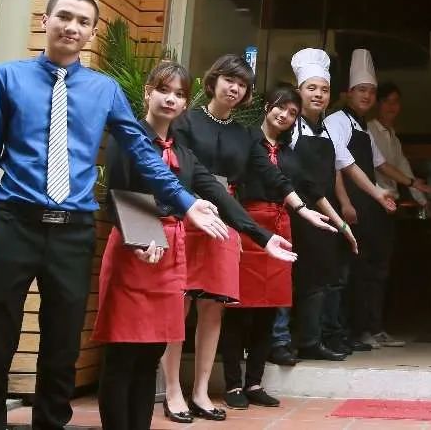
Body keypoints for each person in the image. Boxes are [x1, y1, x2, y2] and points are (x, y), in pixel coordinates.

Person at [0, 0, 228, 430]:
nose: (72, 27)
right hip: (12, 223)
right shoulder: (8, 78)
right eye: (64, 17)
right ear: (45, 20)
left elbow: (143, 152)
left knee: (63, 346)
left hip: (73, 231)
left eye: (83, 22)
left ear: (92, 32)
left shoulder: (104, 89)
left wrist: (185, 202)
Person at [94, 61, 297, 430]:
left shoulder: (184, 152)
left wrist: (264, 238)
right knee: (123, 354)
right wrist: (142, 238)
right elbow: (117, 193)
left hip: (169, 255)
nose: (170, 99)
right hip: (134, 250)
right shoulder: (129, 137)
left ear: (187, 102)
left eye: (179, 94)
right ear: (148, 93)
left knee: (150, 355)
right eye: (163, 90)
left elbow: (220, 196)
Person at [162, 54, 322, 422]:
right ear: (213, 81)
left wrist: (301, 208)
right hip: (187, 214)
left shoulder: (245, 134)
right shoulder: (186, 121)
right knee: (179, 306)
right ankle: (172, 390)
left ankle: (201, 391)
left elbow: (271, 175)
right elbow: (176, 170)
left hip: (225, 218)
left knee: (213, 309)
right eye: (229, 80)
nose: (234, 88)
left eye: (242, 84)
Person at [219, 84, 336, 410]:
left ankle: (255, 382)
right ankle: (232, 384)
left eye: (292, 113)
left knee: (269, 311)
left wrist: (340, 224)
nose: (285, 115)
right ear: (267, 106)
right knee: (238, 311)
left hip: (281, 228)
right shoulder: (246, 140)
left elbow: (309, 187)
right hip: (247, 225)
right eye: (280, 107)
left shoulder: (289, 154)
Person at [268, 49, 358, 365]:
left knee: (318, 278)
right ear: (299, 91)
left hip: (320, 212)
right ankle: (278, 341)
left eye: (324, 90)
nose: (318, 94)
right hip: (291, 210)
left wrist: (341, 211)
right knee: (286, 277)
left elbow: (337, 172)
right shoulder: (289, 127)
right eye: (312, 88)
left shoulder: (328, 129)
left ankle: (310, 340)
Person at [325, 49, 411, 349]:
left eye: (371, 91)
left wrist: (410, 183)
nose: (367, 96)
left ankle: (365, 330)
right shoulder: (336, 120)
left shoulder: (363, 127)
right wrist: (345, 202)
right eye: (361, 90)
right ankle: (343, 333)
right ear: (349, 92)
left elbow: (380, 164)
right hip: (349, 208)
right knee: (347, 273)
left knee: (368, 271)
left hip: (368, 209)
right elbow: (337, 164)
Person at [369, 82, 431, 210]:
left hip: (391, 203)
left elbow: (405, 169)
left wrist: (423, 202)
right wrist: (412, 183)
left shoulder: (395, 140)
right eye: (386, 101)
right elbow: (381, 166)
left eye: (395, 101)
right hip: (373, 201)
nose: (391, 106)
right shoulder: (368, 130)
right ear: (377, 104)